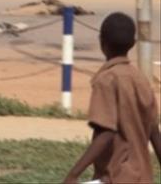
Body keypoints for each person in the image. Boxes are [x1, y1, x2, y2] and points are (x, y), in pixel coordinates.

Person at [64, 13, 161, 184]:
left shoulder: (106, 80)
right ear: (133, 43)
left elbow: (106, 132)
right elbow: (154, 131)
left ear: (102, 42)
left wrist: (74, 174)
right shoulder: (141, 79)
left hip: (115, 177)